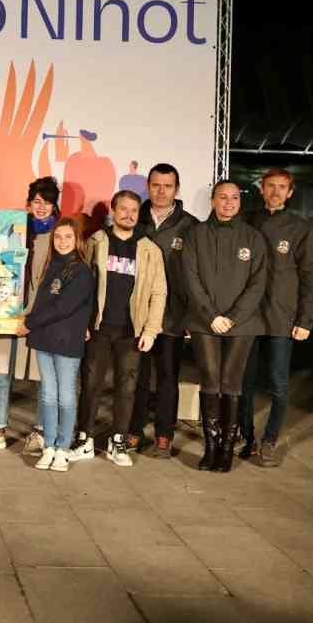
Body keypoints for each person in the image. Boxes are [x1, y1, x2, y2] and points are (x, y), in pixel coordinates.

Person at [75, 190, 167, 467]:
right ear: (113, 212)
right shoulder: (96, 242)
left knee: (126, 389)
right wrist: (82, 323)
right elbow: (81, 286)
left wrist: (150, 331)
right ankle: (85, 440)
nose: (128, 215)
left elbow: (159, 293)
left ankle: (118, 442)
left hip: (131, 331)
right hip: (99, 329)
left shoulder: (149, 249)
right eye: (123, 209)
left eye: (134, 210)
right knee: (91, 385)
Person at [238, 168, 313, 467]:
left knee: (278, 384)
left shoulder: (300, 229)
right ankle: (246, 437)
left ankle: (269, 441)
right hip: (247, 317)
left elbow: (312, 278)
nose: (275, 192)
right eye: (270, 186)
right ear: (261, 189)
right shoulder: (246, 221)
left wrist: (305, 320)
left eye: (282, 187)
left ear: (290, 192)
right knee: (243, 384)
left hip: (281, 318)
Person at [182, 180, 267, 473]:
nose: (228, 203)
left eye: (234, 198)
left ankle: (227, 449)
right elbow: (191, 278)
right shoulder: (196, 235)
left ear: (239, 202)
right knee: (210, 379)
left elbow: (258, 282)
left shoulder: (253, 238)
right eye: (223, 197)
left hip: (242, 323)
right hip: (204, 321)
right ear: (213, 201)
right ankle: (211, 447)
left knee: (231, 382)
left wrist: (233, 316)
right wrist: (211, 316)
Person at [0, 177, 59, 456]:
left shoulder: (60, 236)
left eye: (47, 202)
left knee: (42, 378)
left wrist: (33, 317)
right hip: (9, 312)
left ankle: (40, 432)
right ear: (28, 203)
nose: (41, 207)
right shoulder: (13, 228)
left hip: (41, 317)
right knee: (1, 373)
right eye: (37, 201)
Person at [126, 163, 199, 458]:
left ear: (176, 189)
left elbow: (196, 275)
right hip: (137, 315)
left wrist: (191, 315)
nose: (161, 191)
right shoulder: (135, 218)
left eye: (167, 186)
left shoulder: (190, 225)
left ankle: (164, 435)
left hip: (172, 317)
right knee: (138, 377)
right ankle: (133, 431)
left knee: (168, 377)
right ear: (148, 186)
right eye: (156, 185)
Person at [15, 216, 94, 473]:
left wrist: (29, 323)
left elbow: (63, 306)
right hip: (45, 338)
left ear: (77, 239)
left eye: (68, 237)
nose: (62, 242)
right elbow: (42, 302)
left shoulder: (81, 270)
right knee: (48, 395)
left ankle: (62, 449)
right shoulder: (51, 265)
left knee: (66, 396)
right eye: (58, 237)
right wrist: (31, 321)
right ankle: (48, 446)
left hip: (66, 341)